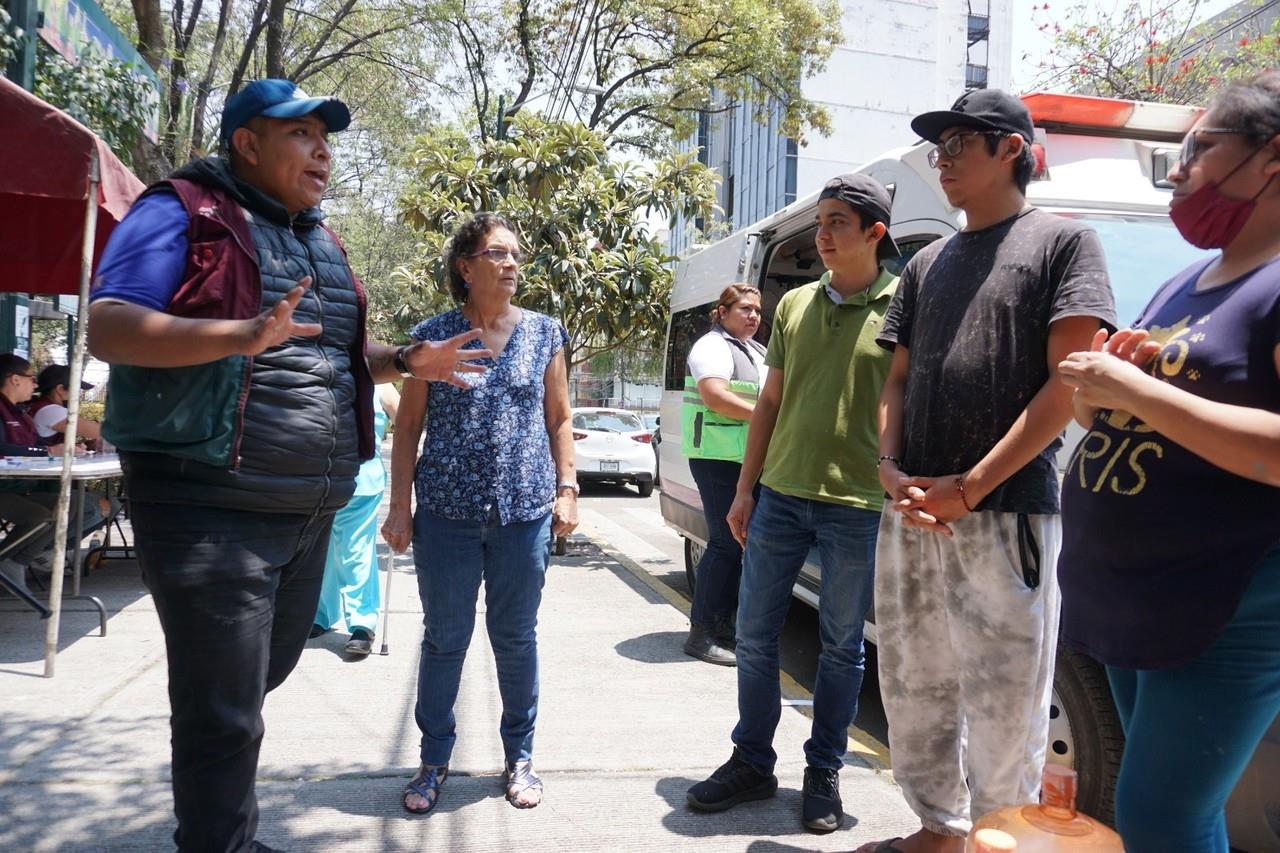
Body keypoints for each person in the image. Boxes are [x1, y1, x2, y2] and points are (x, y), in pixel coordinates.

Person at [86, 79, 491, 853]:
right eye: (301, 133)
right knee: (224, 709)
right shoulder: (183, 211)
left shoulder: (322, 242)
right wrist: (238, 335)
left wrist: (408, 358)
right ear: (247, 141)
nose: (323, 151)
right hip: (208, 500)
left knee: (252, 682)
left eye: (326, 137)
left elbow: (337, 358)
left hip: (307, 509)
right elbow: (108, 326)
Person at [859, 89, 1116, 853]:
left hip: (1004, 513)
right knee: (913, 684)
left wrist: (970, 485)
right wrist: (889, 466)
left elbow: (1069, 381)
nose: (943, 158)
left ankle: (996, 838)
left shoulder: (1064, 243)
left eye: (959, 142)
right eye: (937, 146)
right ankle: (938, 828)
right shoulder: (927, 261)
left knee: (1008, 701)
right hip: (912, 507)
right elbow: (896, 380)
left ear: (1012, 149)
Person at [1056, 72, 1280, 853]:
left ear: (1271, 159)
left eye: (1199, 146)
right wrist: (1100, 389)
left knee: (1159, 813)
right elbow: (1114, 412)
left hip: (1225, 597)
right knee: (1169, 810)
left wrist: (1137, 392)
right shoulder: (1188, 280)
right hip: (1138, 594)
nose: (1178, 167)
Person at [686, 174, 900, 833]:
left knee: (842, 647)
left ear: (875, 232)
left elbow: (904, 401)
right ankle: (752, 759)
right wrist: (747, 487)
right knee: (753, 633)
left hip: (857, 504)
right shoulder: (798, 305)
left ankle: (824, 769)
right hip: (780, 495)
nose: (823, 234)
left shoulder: (902, 306)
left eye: (838, 222)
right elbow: (770, 403)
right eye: (821, 223)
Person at [381, 212, 578, 817]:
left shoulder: (545, 333)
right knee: (445, 639)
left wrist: (567, 487)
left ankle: (519, 756)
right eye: (497, 253)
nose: (512, 264)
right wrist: (399, 507)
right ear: (466, 267)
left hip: (523, 511)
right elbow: (407, 426)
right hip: (446, 512)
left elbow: (559, 417)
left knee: (516, 638)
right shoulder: (432, 336)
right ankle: (434, 758)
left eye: (515, 254)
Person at [681, 283, 767, 666]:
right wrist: (767, 419)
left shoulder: (758, 351)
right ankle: (701, 634)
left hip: (747, 459)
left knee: (741, 544)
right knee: (725, 542)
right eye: (744, 309)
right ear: (722, 312)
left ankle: (725, 627)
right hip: (716, 457)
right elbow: (715, 396)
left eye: (757, 311)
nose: (752, 316)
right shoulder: (712, 347)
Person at [0, 354, 109, 581]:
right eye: (31, 378)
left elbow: (36, 445)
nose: (35, 384)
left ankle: (17, 562)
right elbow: (6, 448)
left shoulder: (20, 412)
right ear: (14, 379)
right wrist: (49, 452)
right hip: (8, 487)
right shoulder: (34, 409)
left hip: (20, 485)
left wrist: (60, 448)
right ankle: (11, 562)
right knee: (43, 515)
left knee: (71, 506)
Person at [311, 383, 399, 656]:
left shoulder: (383, 386)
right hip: (320, 479)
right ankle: (321, 615)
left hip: (362, 482)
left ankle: (363, 623)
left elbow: (407, 423)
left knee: (354, 549)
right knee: (322, 550)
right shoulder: (326, 375)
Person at [29, 364, 102, 448]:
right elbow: (98, 431)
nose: (79, 392)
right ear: (60, 389)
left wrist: (84, 446)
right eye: (76, 388)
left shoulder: (40, 405)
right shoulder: (51, 411)